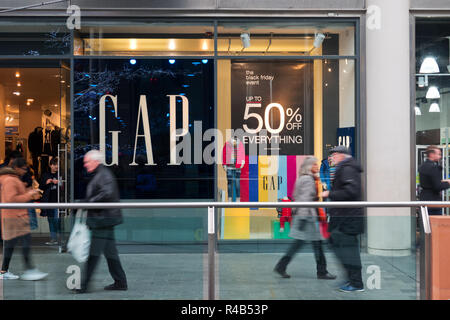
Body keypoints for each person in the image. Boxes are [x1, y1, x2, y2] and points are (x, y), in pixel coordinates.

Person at [274, 156, 336, 280]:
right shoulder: (308, 180)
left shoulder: (302, 178)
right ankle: (322, 272)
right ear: (308, 166)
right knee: (315, 244)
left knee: (302, 244)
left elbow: (296, 196)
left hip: (305, 217)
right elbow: (305, 200)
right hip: (307, 218)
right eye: (314, 164)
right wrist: (302, 218)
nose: (317, 166)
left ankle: (281, 266)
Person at [74, 150, 127, 293]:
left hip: (103, 219)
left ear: (96, 161)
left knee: (94, 254)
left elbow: (107, 193)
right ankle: (120, 282)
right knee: (110, 253)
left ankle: (83, 285)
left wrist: (87, 203)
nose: (85, 165)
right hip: (104, 218)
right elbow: (103, 193)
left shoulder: (103, 174)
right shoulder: (101, 173)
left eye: (87, 162)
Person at [322, 145, 364, 293]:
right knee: (338, 245)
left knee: (349, 250)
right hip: (344, 217)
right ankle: (352, 279)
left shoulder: (347, 169)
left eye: (333, 155)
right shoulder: (347, 168)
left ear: (341, 155)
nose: (331, 158)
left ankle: (356, 283)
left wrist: (330, 194)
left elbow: (351, 191)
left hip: (348, 218)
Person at [0, 157, 48, 281]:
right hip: (16, 218)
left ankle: (4, 271)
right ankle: (29, 270)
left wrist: (28, 192)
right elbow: (11, 199)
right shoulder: (11, 180)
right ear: (17, 168)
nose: (25, 171)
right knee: (25, 243)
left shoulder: (9, 178)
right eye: (24, 169)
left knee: (10, 245)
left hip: (13, 217)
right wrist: (29, 194)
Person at [418, 145, 450, 215]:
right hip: (433, 202)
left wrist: (443, 181)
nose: (440, 156)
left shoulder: (422, 166)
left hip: (423, 199)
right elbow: (437, 186)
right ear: (431, 154)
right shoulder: (434, 167)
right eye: (438, 154)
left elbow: (429, 182)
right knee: (435, 224)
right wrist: (448, 183)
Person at [39, 157, 60, 245]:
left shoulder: (60, 174)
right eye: (54, 165)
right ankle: (53, 239)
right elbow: (40, 187)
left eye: (58, 165)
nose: (56, 167)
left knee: (56, 220)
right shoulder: (45, 175)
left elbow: (66, 186)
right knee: (51, 220)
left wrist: (60, 182)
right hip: (48, 201)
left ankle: (59, 238)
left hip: (58, 202)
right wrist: (46, 183)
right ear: (50, 165)